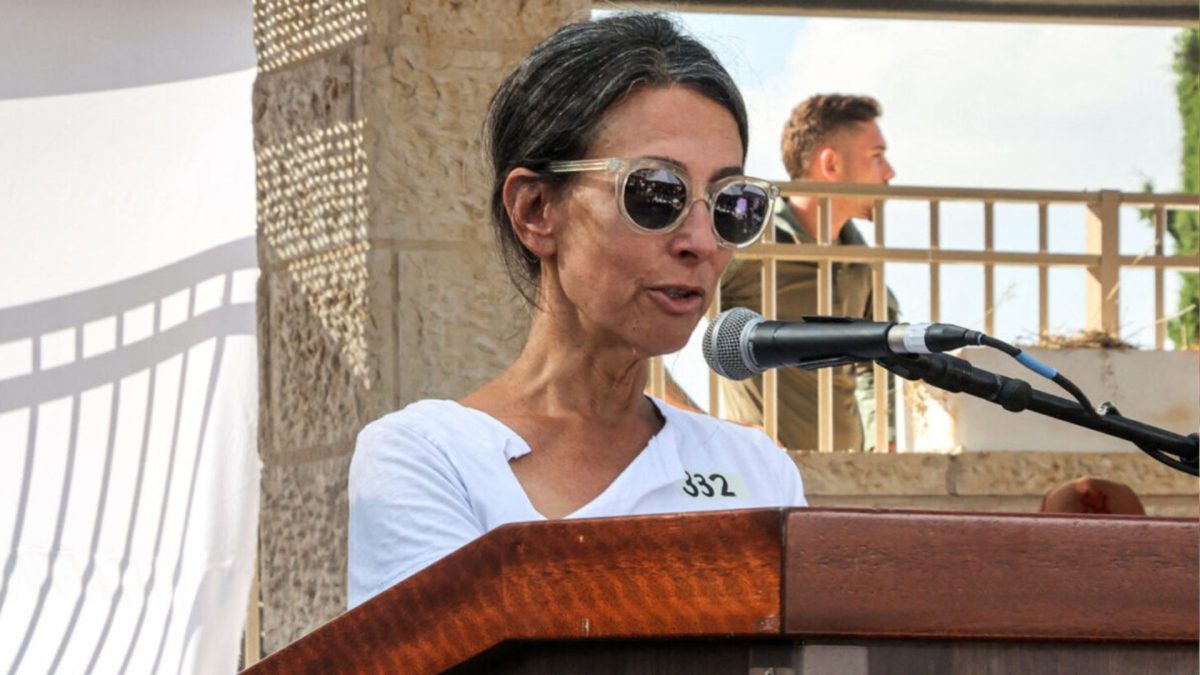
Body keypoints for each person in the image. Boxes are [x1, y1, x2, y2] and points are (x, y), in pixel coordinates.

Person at [346, 12, 806, 610]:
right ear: (537, 210)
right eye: (655, 193)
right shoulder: (431, 459)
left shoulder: (756, 471)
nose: (702, 239)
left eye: (730, 205)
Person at [718, 94, 899, 452]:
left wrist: (884, 442)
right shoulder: (747, 245)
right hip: (762, 478)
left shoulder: (863, 262)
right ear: (830, 164)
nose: (890, 172)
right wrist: (705, 424)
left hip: (847, 481)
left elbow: (880, 361)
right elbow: (648, 336)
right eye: (877, 157)